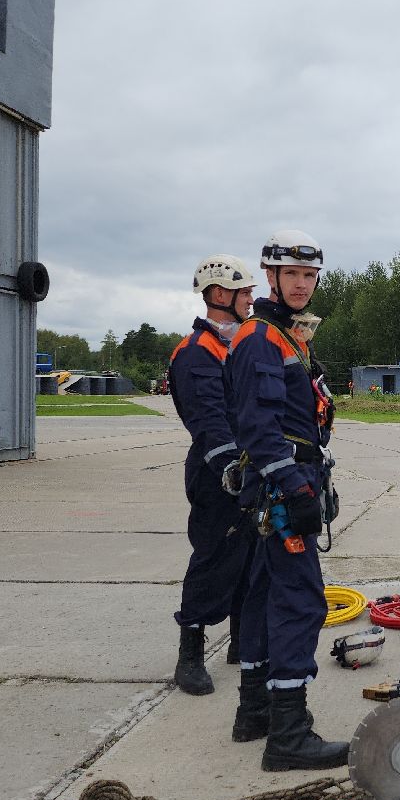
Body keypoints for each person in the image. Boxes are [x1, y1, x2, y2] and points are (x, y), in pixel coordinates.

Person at [226, 229, 347, 771]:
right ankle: (289, 735)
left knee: (261, 593)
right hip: (282, 482)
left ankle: (255, 710)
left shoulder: (287, 336)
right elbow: (258, 424)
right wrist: (297, 487)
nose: (302, 285)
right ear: (271, 277)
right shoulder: (261, 339)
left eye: (310, 276)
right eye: (292, 275)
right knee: (300, 601)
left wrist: (318, 477)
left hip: (291, 476)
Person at [167, 255, 258, 696]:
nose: (252, 300)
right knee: (212, 557)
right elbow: (208, 421)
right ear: (220, 295)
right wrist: (229, 468)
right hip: (215, 473)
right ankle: (190, 653)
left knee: (250, 555)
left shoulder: (236, 345)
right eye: (246, 293)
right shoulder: (196, 352)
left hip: (248, 468)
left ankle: (240, 644)